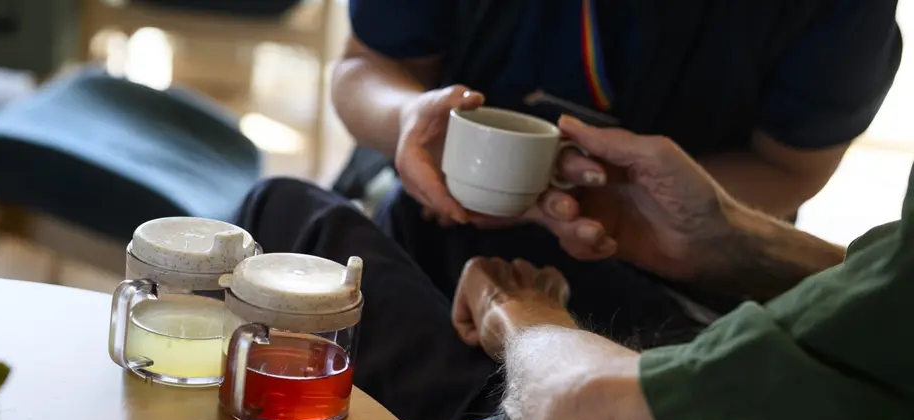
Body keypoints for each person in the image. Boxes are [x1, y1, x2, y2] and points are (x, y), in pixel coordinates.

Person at [232, 115, 913, 420]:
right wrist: (726, 240)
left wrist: (515, 314)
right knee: (436, 221)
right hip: (831, 411)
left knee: (289, 216)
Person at [332, 0, 902, 317]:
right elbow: (365, 68)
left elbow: (792, 167)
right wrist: (408, 118)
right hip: (430, 205)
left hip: (679, 257)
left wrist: (638, 206)